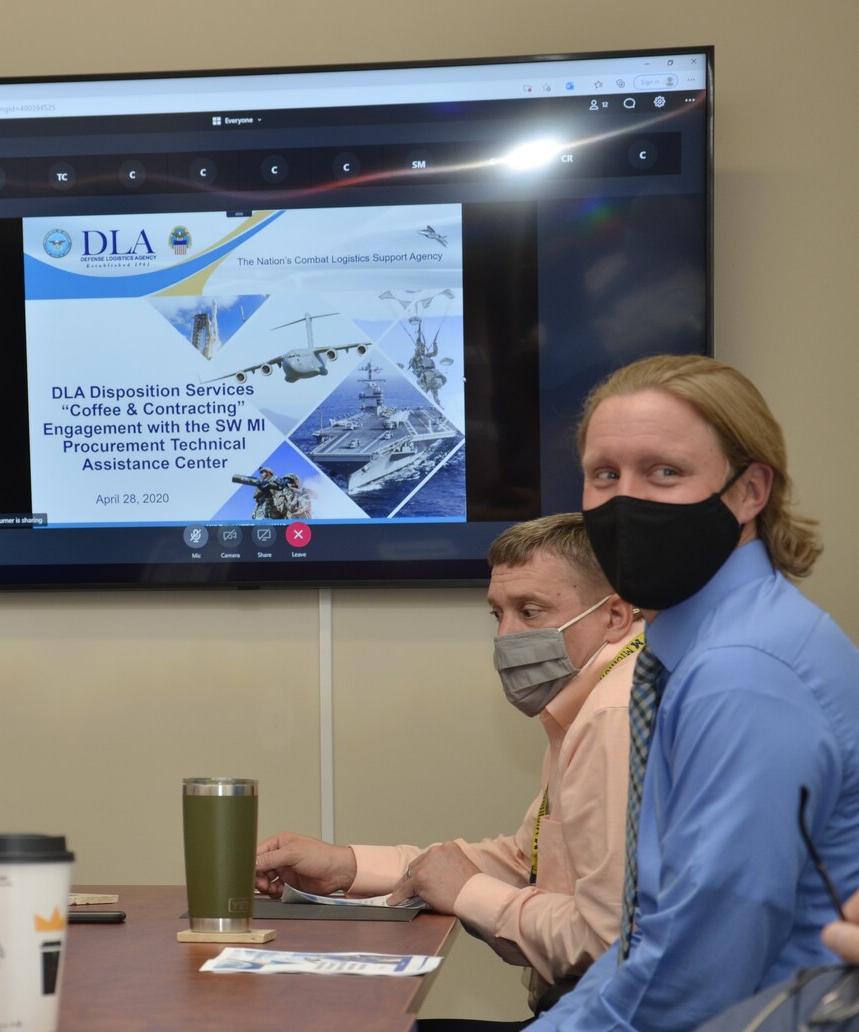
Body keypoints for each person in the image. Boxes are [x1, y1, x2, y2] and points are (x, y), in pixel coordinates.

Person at [528, 354, 859, 1031]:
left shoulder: (742, 673)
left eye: (664, 472)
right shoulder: (693, 651)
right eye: (603, 475)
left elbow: (694, 977)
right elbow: (644, 946)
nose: (625, 501)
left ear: (748, 492)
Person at [257, 513, 642, 1021]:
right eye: (497, 615)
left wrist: (467, 894)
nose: (506, 637)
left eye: (530, 611)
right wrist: (348, 867)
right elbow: (528, 861)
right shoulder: (594, 697)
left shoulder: (613, 715)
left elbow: (606, 940)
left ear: (614, 615)